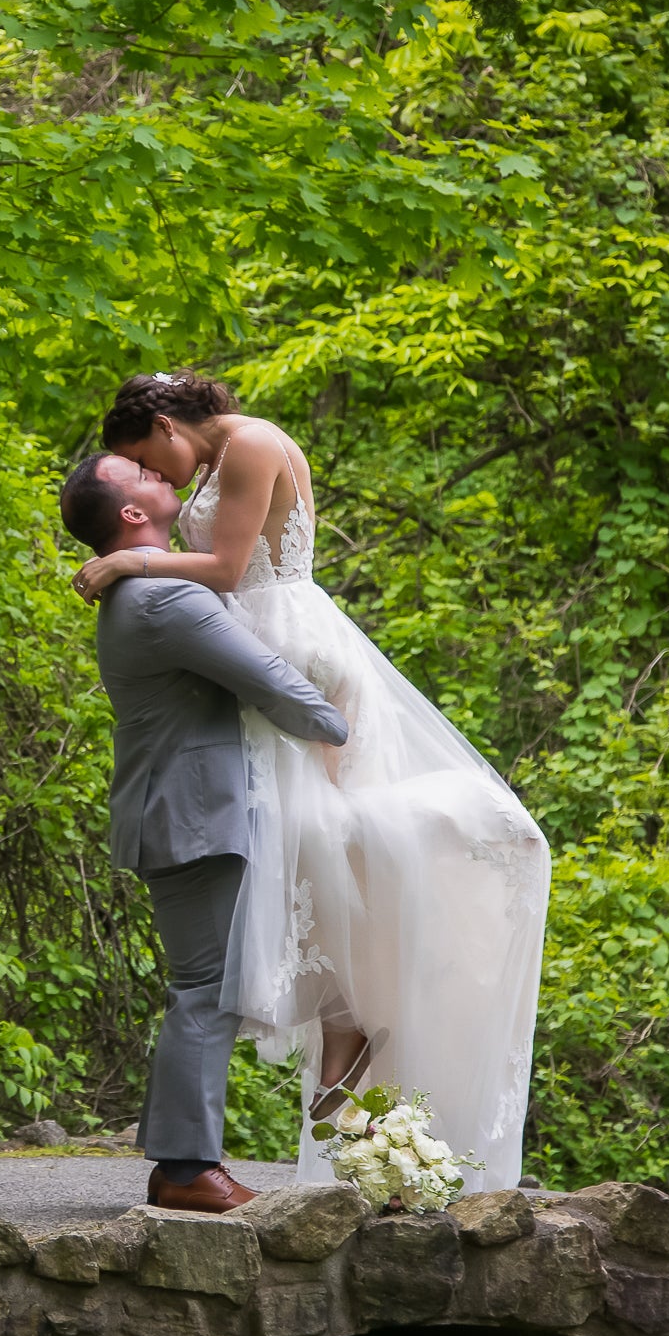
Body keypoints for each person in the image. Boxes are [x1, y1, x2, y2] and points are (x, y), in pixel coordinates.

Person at [73, 371, 550, 1192]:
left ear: (164, 422)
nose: (161, 478)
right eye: (143, 474)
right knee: (308, 866)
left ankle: (345, 1031)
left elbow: (226, 567)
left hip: (284, 647)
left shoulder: (245, 449)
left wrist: (133, 563)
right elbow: (219, 581)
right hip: (248, 676)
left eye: (150, 458)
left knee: (323, 848)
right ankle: (339, 1035)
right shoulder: (174, 564)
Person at [61, 449, 349, 1214]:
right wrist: (342, 725)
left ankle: (187, 1162)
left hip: (190, 809)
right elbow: (268, 680)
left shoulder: (152, 585)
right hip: (189, 814)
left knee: (207, 986)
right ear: (130, 513)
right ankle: (185, 1168)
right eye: (142, 475)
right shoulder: (163, 601)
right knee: (204, 990)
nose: (162, 474)